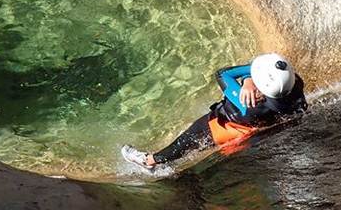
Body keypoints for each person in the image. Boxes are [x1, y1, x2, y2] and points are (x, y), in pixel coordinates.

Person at [121, 53, 307, 170]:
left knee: (185, 142)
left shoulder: (245, 102)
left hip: (224, 126)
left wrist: (247, 79)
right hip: (253, 127)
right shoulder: (294, 86)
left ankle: (150, 161)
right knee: (197, 146)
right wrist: (251, 79)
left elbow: (222, 74)